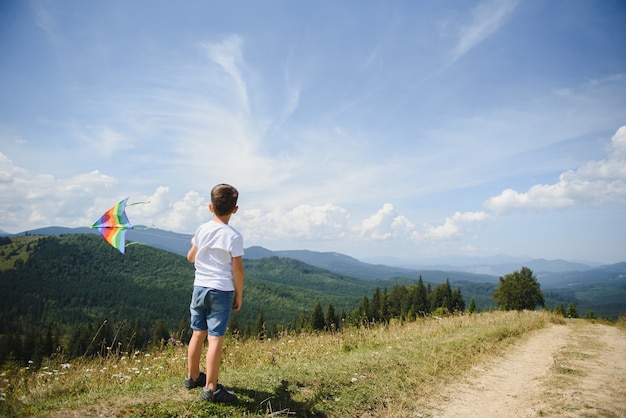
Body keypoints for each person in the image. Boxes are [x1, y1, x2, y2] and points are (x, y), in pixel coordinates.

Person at [184, 183, 244, 403]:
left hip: (199, 288)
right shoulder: (233, 236)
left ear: (211, 207)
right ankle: (211, 388)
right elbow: (237, 269)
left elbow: (191, 258)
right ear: (235, 209)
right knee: (215, 338)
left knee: (197, 332)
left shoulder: (201, 229)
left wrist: (195, 245)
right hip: (221, 291)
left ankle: (192, 377)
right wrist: (239, 294)